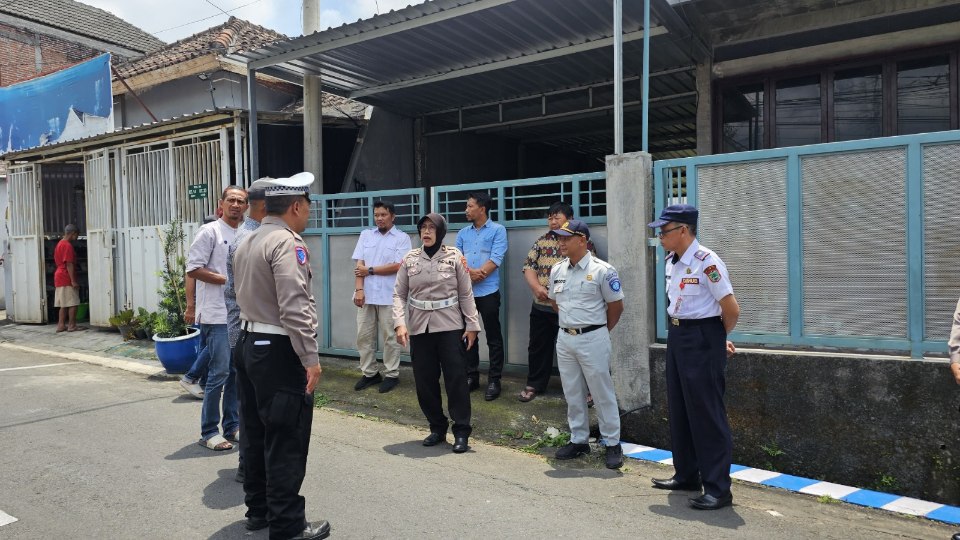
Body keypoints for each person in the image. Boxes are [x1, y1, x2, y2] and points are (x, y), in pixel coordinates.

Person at [234, 172, 330, 540]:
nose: (308, 215)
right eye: (307, 207)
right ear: (295, 206)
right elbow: (294, 306)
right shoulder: (287, 243)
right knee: (286, 437)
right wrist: (310, 357)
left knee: (255, 433)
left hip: (247, 344)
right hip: (278, 350)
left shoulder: (248, 240)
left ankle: (259, 512)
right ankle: (287, 525)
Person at [647, 204, 740, 511]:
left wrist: (716, 339)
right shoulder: (672, 261)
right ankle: (687, 474)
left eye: (664, 230)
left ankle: (717, 488)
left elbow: (731, 309)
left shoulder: (707, 262)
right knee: (681, 408)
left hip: (702, 337)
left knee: (707, 413)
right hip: (678, 336)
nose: (659, 236)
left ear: (683, 230)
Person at [394, 213, 480, 453]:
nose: (427, 232)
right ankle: (437, 427)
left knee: (456, 380)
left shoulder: (455, 257)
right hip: (420, 328)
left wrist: (472, 325)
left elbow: (466, 294)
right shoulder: (410, 259)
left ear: (441, 232)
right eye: (423, 228)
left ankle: (461, 431)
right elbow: (399, 294)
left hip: (450, 326)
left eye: (432, 228)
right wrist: (400, 323)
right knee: (424, 381)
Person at [547, 219, 625, 470]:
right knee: (572, 392)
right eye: (559, 238)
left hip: (593, 337)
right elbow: (555, 303)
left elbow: (616, 306)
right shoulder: (557, 270)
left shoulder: (603, 270)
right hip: (565, 337)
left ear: (582, 240)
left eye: (566, 238)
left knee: (601, 392)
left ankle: (612, 443)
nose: (561, 243)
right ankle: (579, 439)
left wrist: (598, 331)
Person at [187, 187, 247, 451]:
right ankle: (209, 431)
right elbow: (193, 268)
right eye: (231, 200)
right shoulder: (210, 231)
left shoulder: (246, 234)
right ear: (221, 204)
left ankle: (232, 426)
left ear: (246, 207)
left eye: (241, 201)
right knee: (219, 372)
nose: (236, 205)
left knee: (235, 372)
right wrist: (227, 279)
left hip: (239, 314)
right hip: (215, 313)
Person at [519, 202, 595, 402]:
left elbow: (589, 273)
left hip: (570, 309)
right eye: (550, 217)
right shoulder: (542, 241)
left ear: (569, 219)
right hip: (541, 306)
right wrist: (537, 288)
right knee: (538, 347)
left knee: (578, 350)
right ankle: (534, 384)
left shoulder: (582, 242)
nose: (552, 221)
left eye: (557, 217)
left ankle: (586, 389)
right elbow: (529, 266)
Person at [223, 178, 271, 484]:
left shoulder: (241, 237)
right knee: (259, 406)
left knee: (248, 402)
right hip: (254, 333)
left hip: (239, 332)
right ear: (265, 206)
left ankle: (246, 465)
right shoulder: (256, 240)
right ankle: (253, 467)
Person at [351, 201, 412, 393]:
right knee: (363, 335)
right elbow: (358, 266)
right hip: (366, 295)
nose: (379, 218)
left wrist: (370, 270)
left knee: (391, 337)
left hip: (390, 295)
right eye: (376, 215)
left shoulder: (402, 238)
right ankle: (370, 373)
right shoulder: (366, 235)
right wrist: (359, 290)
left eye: (383, 215)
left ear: (392, 216)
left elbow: (398, 265)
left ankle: (392, 374)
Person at [455, 192, 508, 400]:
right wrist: (470, 275)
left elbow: (496, 258)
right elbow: (457, 260)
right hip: (467, 293)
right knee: (468, 334)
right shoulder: (462, 233)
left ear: (482, 208)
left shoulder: (498, 230)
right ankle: (471, 376)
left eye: (469, 206)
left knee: (494, 337)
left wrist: (479, 274)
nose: (466, 210)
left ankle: (494, 380)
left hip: (488, 291)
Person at [179, 214, 219, 399]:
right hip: (208, 308)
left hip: (211, 308)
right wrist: (190, 306)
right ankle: (191, 377)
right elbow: (190, 277)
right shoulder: (203, 247)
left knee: (206, 344)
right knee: (215, 344)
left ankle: (202, 383)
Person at [53, 224, 84, 333]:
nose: (76, 238)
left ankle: (61, 325)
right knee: (73, 302)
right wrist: (73, 281)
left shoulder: (59, 244)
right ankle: (72, 325)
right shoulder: (67, 245)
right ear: (73, 233)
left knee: (63, 304)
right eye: (77, 235)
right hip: (66, 275)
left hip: (59, 276)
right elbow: (69, 264)